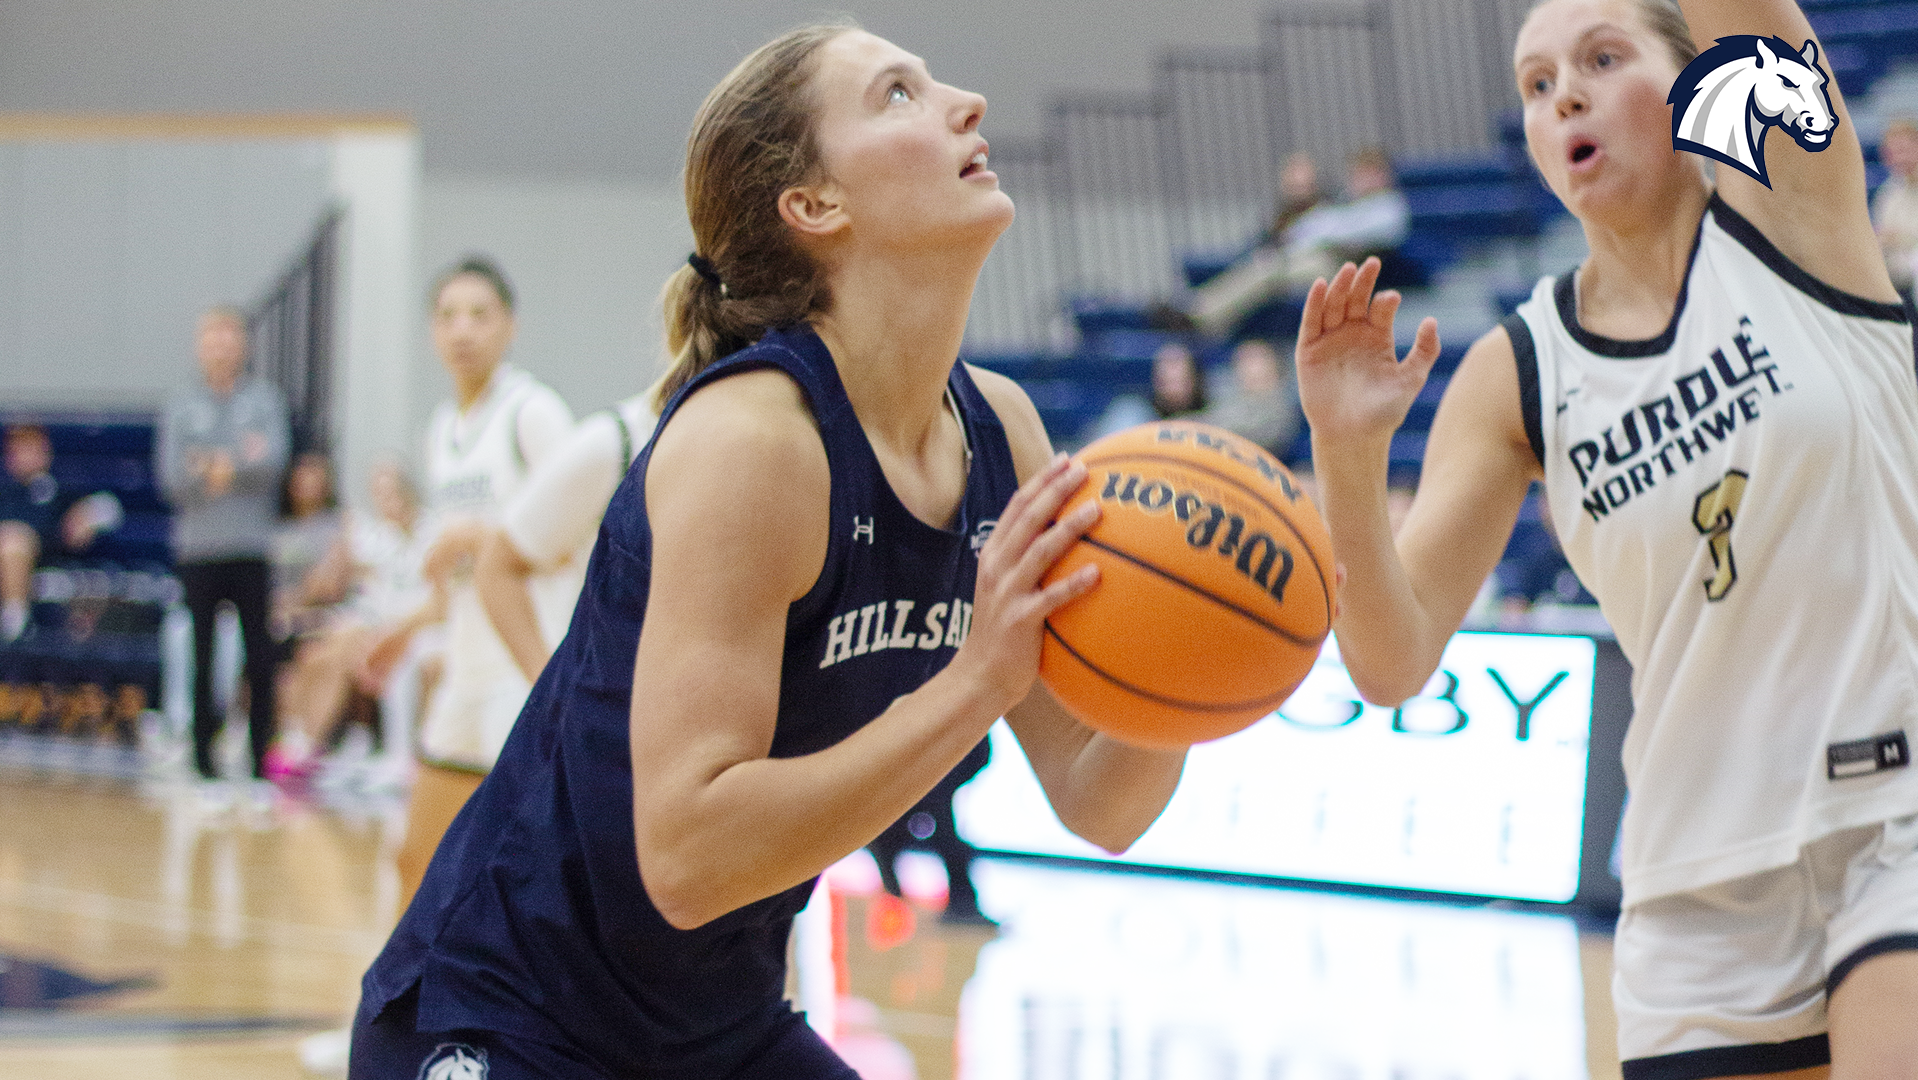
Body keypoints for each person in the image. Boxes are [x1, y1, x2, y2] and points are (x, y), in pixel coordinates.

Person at [349, 24, 1187, 1079]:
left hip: (716, 1028)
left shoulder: (1000, 434)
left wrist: (1190, 662)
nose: (966, 103)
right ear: (814, 205)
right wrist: (977, 681)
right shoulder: (754, 442)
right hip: (504, 1014)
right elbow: (690, 859)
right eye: (898, 94)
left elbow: (1099, 798)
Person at [1296, 0, 1918, 1075]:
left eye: (1600, 59)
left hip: (1893, 813)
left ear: (1695, 86)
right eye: (1536, 85)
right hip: (1695, 880)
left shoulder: (1795, 215)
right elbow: (1389, 662)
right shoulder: (1516, 370)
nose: (1563, 96)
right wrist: (1346, 457)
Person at [380, 256, 574, 906]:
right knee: (418, 858)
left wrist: (488, 539)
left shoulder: (533, 413)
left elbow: (592, 533)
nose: (463, 329)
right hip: (466, 668)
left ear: (509, 326)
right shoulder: (441, 430)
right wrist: (395, 633)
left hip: (528, 667)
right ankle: (423, 1006)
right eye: (447, 316)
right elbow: (452, 572)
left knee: (523, 873)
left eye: (479, 314)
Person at [156, 307, 290, 810]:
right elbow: (173, 477)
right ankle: (203, 763)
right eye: (211, 336)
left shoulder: (265, 400)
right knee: (202, 654)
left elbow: (272, 462)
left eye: (229, 336)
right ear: (199, 344)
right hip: (198, 549)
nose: (221, 345)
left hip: (253, 546)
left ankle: (259, 764)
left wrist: (211, 463)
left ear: (243, 344)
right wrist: (237, 461)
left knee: (260, 655)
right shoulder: (181, 404)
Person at [474, 382, 662, 684]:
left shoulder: (535, 410)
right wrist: (552, 697)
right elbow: (510, 558)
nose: (462, 334)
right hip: (505, 664)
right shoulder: (618, 436)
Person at [1190, 146, 1410, 336]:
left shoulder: (1388, 207)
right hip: (1317, 261)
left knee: (1269, 269)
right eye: (1357, 173)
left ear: (1383, 176)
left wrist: (1322, 230)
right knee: (1265, 264)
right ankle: (1197, 309)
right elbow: (1306, 230)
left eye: (1369, 174)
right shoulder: (1346, 205)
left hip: (1346, 272)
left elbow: (1336, 233)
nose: (1360, 180)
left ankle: (1201, 316)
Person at [0, 423, 122, 642]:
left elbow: (110, 507)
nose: (23, 455)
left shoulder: (62, 487)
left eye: (30, 447)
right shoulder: (6, 492)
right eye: (17, 449)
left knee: (14, 541)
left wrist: (87, 515)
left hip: (48, 558)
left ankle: (15, 623)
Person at [1080, 339, 1209, 442]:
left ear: (1194, 377)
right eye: (1166, 368)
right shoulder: (1132, 412)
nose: (1171, 372)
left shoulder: (1212, 418)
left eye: (1177, 365)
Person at [1202, 337, 1303, 460]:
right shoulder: (1227, 402)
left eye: (1255, 359)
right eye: (1244, 361)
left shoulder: (1285, 405)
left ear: (1274, 367)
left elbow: (1266, 433)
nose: (1249, 367)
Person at [1872, 116, 1918, 302]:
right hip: (1898, 274)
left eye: (1904, 150)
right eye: (1892, 152)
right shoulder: (1888, 193)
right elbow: (1882, 238)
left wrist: (1896, 237)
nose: (1898, 157)